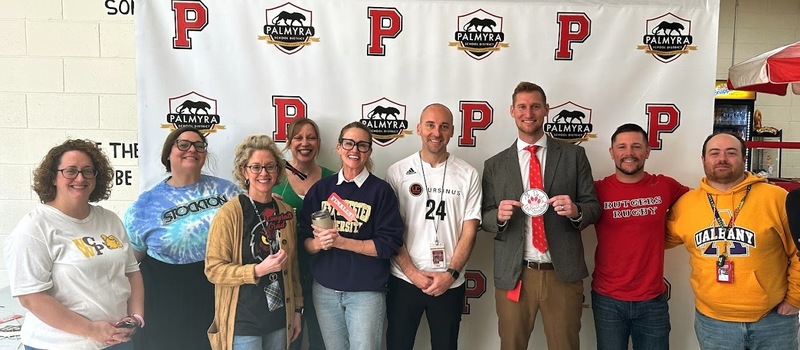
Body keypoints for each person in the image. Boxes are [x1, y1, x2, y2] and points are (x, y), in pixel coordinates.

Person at [481, 81, 600, 350]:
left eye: (535, 106)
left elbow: (593, 207)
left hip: (562, 274)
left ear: (546, 110)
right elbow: (485, 217)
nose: (529, 113)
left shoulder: (574, 156)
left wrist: (576, 211)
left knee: (565, 346)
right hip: (515, 273)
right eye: (522, 107)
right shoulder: (495, 165)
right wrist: (497, 217)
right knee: (511, 345)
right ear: (512, 111)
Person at [4, 139, 144, 349]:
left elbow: (132, 272)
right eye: (70, 171)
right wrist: (91, 330)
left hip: (117, 341)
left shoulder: (110, 219)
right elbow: (31, 297)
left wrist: (135, 317)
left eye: (88, 171)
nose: (80, 178)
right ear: (53, 177)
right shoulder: (35, 227)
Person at [666, 131, 800, 350]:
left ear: (743, 158)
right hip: (714, 323)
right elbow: (653, 240)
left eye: (731, 152)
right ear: (703, 160)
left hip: (773, 320)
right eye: (714, 153)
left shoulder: (775, 197)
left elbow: (798, 251)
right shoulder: (686, 204)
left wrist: (795, 298)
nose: (722, 159)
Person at [123, 126, 240, 350]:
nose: (192, 150)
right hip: (166, 298)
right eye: (183, 144)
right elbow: (130, 263)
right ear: (168, 154)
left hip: (218, 290)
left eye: (199, 145)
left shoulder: (228, 192)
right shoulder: (144, 205)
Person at [299, 122, 404, 350]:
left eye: (362, 145)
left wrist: (342, 242)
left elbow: (388, 245)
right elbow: (303, 242)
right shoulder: (321, 189)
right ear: (339, 147)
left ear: (369, 150)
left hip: (365, 293)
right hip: (325, 291)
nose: (354, 150)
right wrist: (317, 243)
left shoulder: (380, 191)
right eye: (348, 143)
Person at [384, 103, 482, 350]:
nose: (436, 132)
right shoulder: (396, 172)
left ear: (451, 132)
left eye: (444, 126)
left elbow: (469, 230)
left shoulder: (468, 174)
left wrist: (451, 274)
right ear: (418, 129)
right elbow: (390, 230)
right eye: (430, 125)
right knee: (398, 344)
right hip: (404, 279)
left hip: (449, 282)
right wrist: (413, 273)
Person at [592, 124, 689, 350]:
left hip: (652, 300)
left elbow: (700, 205)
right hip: (608, 299)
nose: (629, 153)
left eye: (636, 147)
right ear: (612, 152)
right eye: (622, 147)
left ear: (647, 151)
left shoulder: (665, 185)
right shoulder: (596, 190)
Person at [205, 135, 303, 349]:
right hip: (243, 321)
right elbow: (213, 269)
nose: (264, 173)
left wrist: (297, 311)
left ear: (278, 170)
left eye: (270, 166)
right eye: (256, 167)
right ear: (244, 171)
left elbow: (293, 267)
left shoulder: (285, 212)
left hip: (278, 319)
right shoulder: (229, 214)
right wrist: (257, 270)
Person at [273, 118, 335, 350]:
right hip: (284, 270)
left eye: (311, 137)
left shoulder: (333, 179)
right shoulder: (273, 178)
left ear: (318, 143)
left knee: (321, 338)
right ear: (289, 142)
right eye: (298, 137)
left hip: (324, 269)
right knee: (290, 338)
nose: (305, 143)